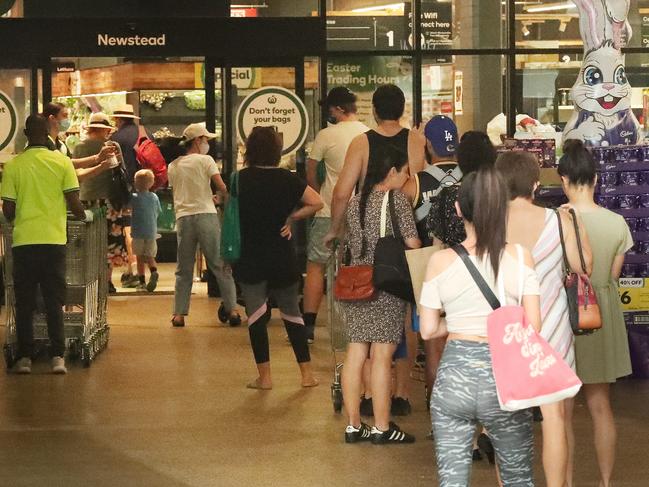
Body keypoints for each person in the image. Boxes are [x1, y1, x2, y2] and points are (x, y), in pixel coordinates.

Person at [419, 168, 541, 486]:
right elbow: (534, 326)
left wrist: (457, 321)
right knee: (517, 478)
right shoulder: (520, 257)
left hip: (454, 378)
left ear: (459, 210)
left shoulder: (440, 261)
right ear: (504, 208)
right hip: (504, 379)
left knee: (453, 479)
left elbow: (428, 330)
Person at [496, 150, 593, 487]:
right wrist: (576, 224)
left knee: (507, 424)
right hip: (552, 329)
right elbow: (584, 267)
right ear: (535, 184)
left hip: (505, 333)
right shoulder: (559, 220)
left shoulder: (490, 223)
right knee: (555, 419)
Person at [327, 84, 424, 418]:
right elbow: (418, 187)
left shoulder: (361, 142)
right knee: (406, 319)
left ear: (375, 111)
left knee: (364, 326)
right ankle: (401, 392)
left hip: (367, 238)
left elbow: (341, 192)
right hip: (403, 237)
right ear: (402, 109)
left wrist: (336, 230)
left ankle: (369, 393)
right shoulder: (415, 140)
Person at [558, 140, 634, 487]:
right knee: (602, 406)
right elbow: (612, 277)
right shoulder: (617, 223)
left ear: (564, 180)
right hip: (602, 315)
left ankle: (568, 481)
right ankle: (606, 482)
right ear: (595, 179)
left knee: (564, 413)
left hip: (567, 318)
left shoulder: (558, 220)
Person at [341, 144, 421, 445]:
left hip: (356, 283)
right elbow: (412, 243)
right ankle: (382, 426)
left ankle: (353, 425)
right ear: (391, 172)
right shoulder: (396, 200)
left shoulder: (355, 201)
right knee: (383, 354)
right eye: (404, 172)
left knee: (356, 352)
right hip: (385, 284)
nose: (407, 178)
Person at [235, 126, 322, 390]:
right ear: (276, 151)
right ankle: (306, 375)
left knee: (256, 316)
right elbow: (316, 202)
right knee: (292, 314)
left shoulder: (239, 179)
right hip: (281, 253)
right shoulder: (288, 178)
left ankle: (265, 378)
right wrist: (291, 217)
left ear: (250, 150)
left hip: (251, 254)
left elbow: (231, 216)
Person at [1, 115, 88, 375]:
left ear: (26, 133)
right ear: (49, 133)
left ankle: (26, 357)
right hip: (54, 242)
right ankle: (57, 357)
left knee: (25, 301)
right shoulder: (62, 162)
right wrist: (83, 215)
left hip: (25, 242)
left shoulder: (14, 166)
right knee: (54, 301)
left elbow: (8, 209)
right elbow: (74, 202)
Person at [303, 87, 369, 344]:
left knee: (316, 266)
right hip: (360, 212)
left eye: (330, 108)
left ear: (339, 109)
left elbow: (311, 173)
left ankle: (308, 327)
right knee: (357, 266)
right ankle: (356, 323)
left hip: (328, 211)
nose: (328, 112)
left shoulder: (326, 135)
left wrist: (320, 196)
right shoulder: (368, 134)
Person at [167, 123, 240, 327]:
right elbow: (221, 186)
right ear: (198, 140)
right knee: (219, 264)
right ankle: (233, 309)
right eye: (206, 139)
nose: (207, 143)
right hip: (206, 215)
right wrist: (223, 197)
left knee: (184, 268)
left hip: (184, 218)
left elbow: (180, 190)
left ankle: (179, 314)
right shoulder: (206, 160)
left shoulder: (173, 165)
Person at [74, 112, 131, 293]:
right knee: (110, 242)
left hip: (86, 198)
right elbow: (120, 169)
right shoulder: (112, 146)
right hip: (109, 200)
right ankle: (107, 282)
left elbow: (76, 173)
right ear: (105, 129)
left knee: (89, 241)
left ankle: (91, 281)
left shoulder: (79, 147)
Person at [111, 104, 144, 287]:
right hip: (145, 186)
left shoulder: (116, 138)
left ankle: (132, 269)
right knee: (142, 229)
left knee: (129, 230)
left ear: (119, 119)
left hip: (126, 190)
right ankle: (143, 271)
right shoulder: (144, 133)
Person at [42, 102, 116, 179]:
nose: (67, 119)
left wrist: (101, 166)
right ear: (52, 118)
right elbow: (65, 163)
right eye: (64, 115)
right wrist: (97, 158)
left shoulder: (62, 145)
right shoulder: (44, 144)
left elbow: (75, 172)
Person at [130, 169, 161, 292]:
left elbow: (127, 208)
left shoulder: (134, 197)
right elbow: (158, 211)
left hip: (138, 232)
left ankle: (141, 282)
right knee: (150, 256)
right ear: (152, 182)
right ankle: (153, 271)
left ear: (136, 183)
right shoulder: (154, 197)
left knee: (139, 258)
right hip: (152, 231)